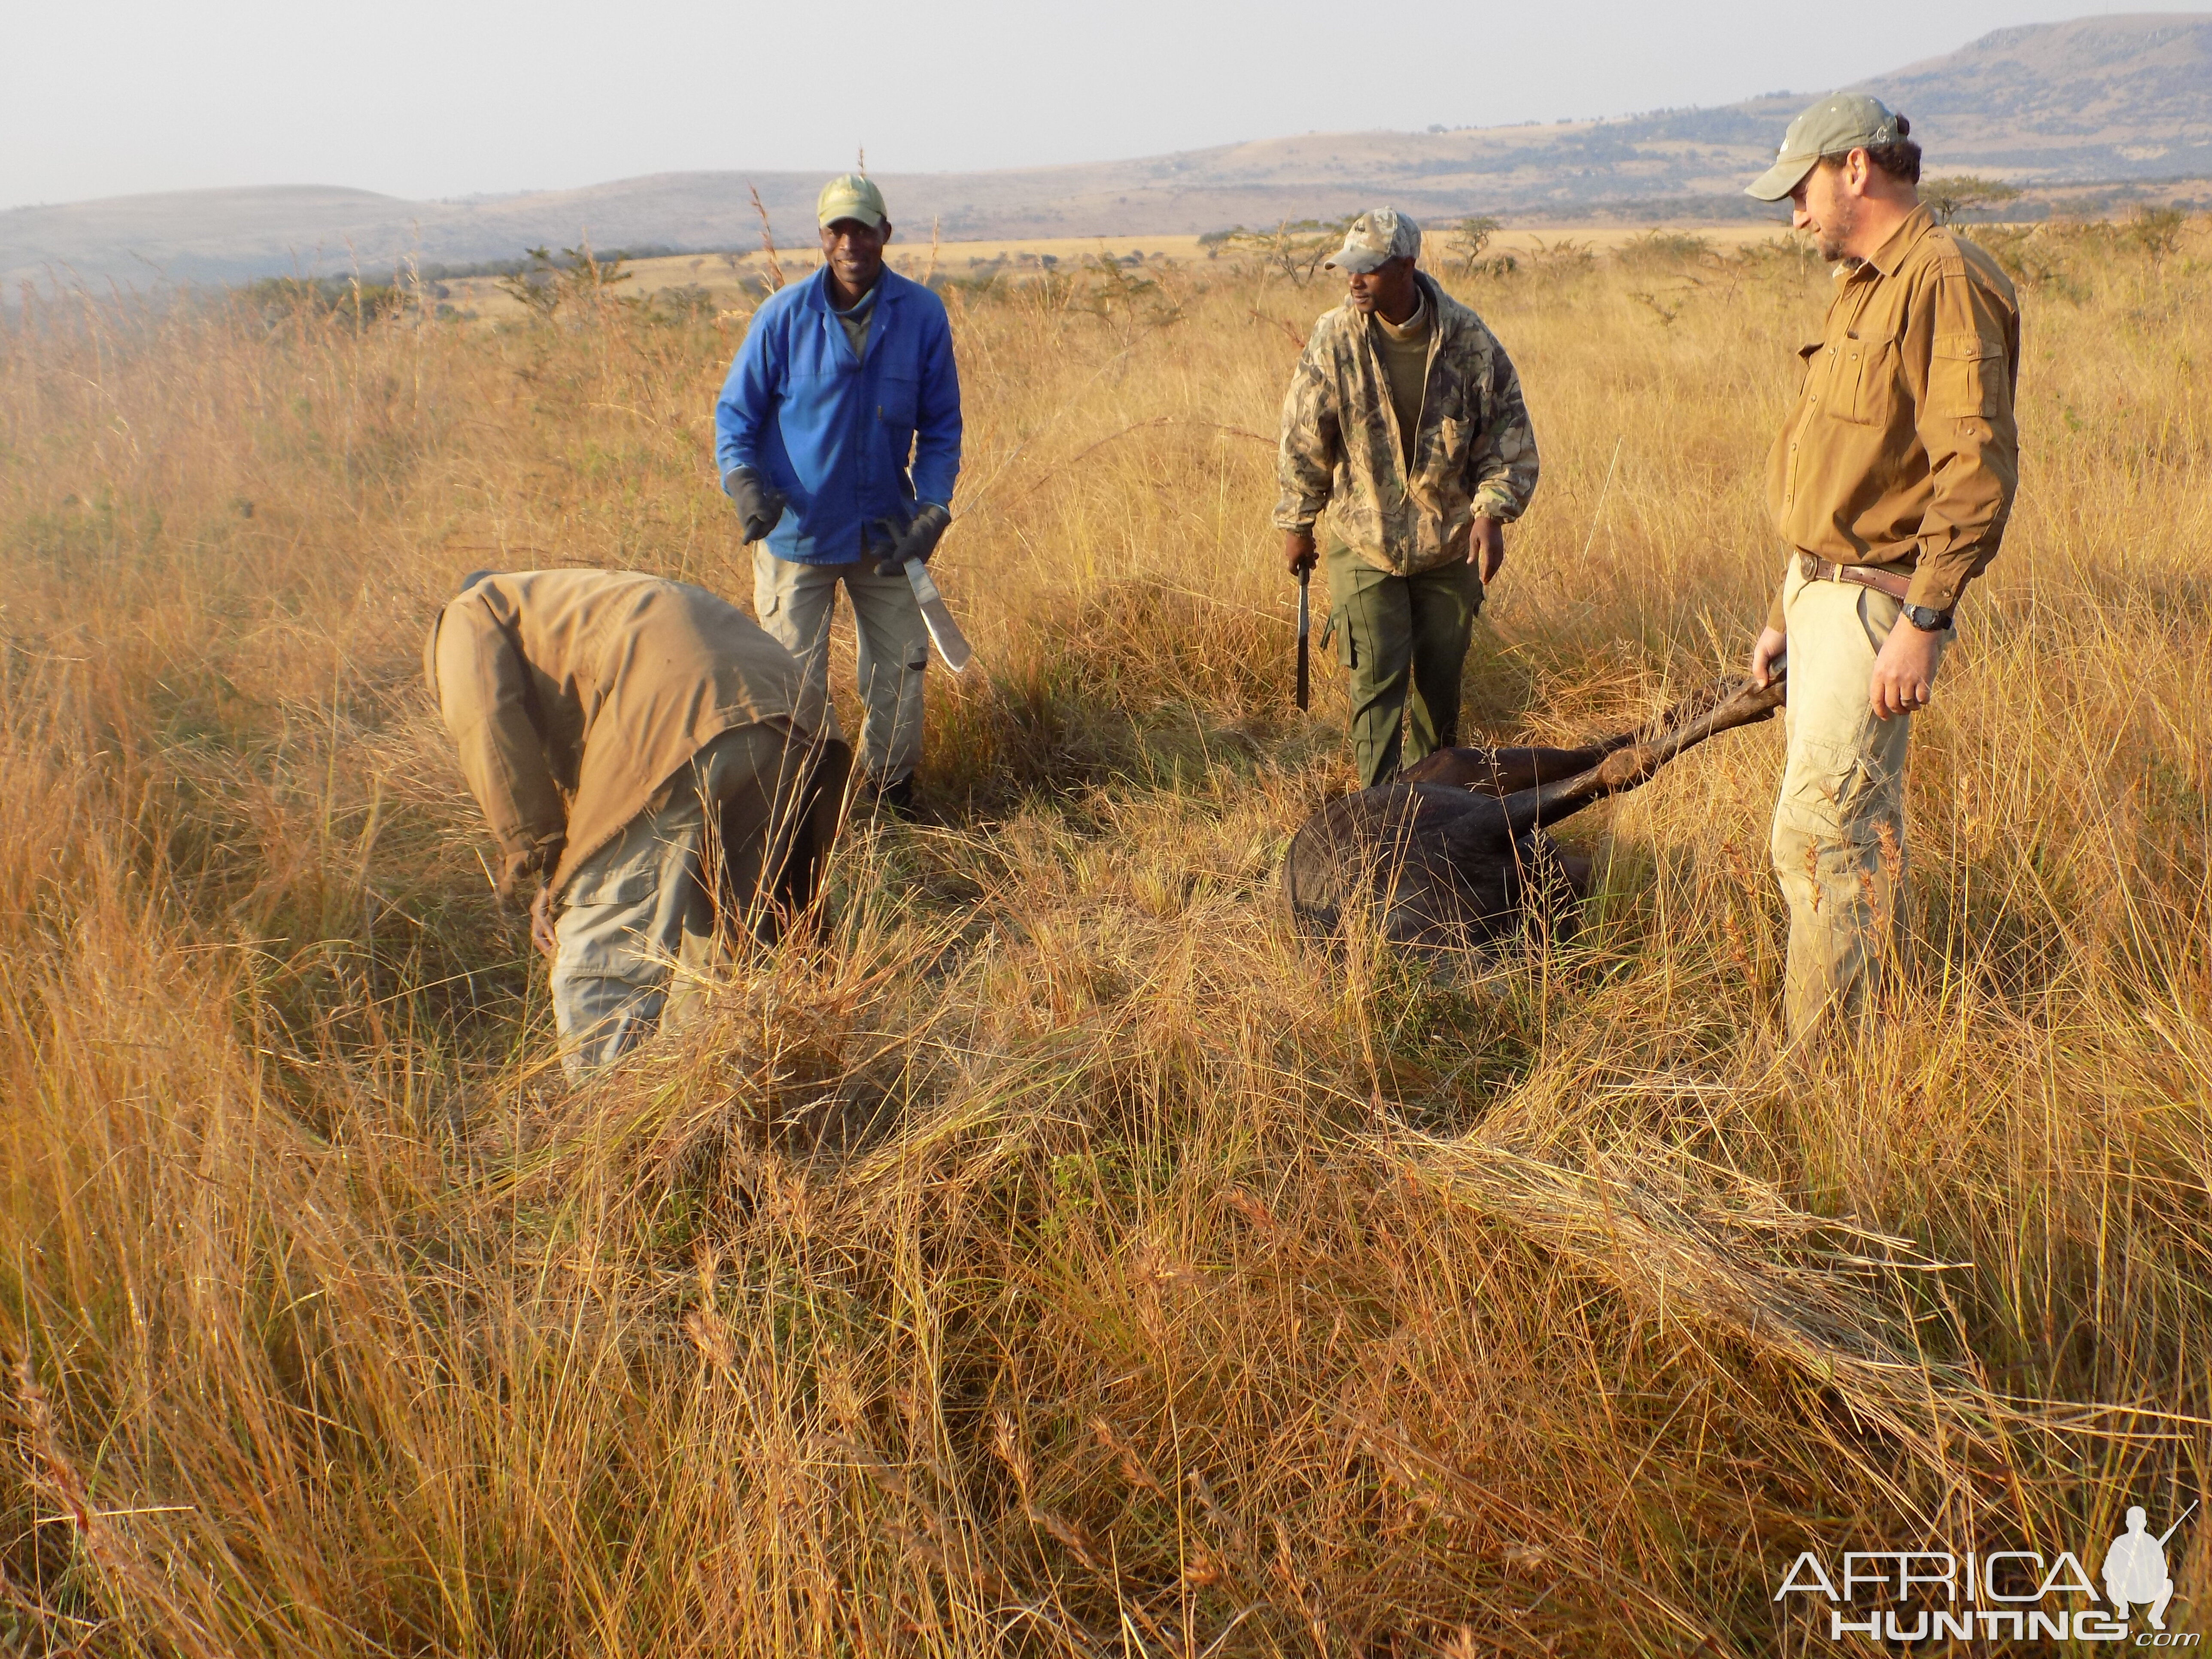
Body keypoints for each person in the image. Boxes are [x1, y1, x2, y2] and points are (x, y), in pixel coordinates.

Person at [1742, 95, 2021, 1039]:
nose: (1794, 216)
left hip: (1878, 611)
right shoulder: (1864, 282)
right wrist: (1786, 606)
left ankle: (1823, 1086)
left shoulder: (1942, 277)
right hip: (1821, 594)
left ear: (1853, 169)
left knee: (1830, 844)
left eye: (1801, 191)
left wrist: (1925, 622)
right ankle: (1831, 1052)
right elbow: (1841, 464)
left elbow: (1971, 468)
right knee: (1813, 836)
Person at [426, 569, 850, 1079]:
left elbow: (488, 725)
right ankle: (709, 1111)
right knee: (726, 947)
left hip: (682, 710)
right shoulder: (587, 600)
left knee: (601, 951)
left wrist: (539, 861)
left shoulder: (471, 610)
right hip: (796, 716)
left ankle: (611, 1135)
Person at [714, 173, 963, 815]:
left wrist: (932, 510)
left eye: (863, 229)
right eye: (838, 230)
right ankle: (805, 812)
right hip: (796, 532)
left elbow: (941, 427)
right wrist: (747, 489)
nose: (850, 242)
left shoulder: (922, 315)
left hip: (887, 530)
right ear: (822, 237)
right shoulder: (781, 318)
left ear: (886, 233)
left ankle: (889, 802)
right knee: (791, 684)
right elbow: (735, 421)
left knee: (902, 670)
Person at [1275, 207, 1540, 789]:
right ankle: (1377, 821)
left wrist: (1492, 513)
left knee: (1440, 689)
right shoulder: (1334, 337)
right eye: (1349, 268)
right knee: (1376, 684)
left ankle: (1433, 812)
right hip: (1365, 541)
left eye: (1369, 269)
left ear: (1406, 267)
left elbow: (1508, 437)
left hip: (1448, 544)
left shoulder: (1468, 339)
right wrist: (1298, 523)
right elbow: (1304, 437)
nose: (1355, 280)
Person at [2101, 1506, 2175, 1630]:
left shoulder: (2152, 1543)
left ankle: (2155, 1616)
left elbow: (2164, 1571)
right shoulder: (2121, 1542)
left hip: (2146, 1591)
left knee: (2168, 1584)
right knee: (2113, 1585)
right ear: (2128, 1524)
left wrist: (2149, 1570)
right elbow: (2107, 1572)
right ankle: (2122, 1611)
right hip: (2124, 1592)